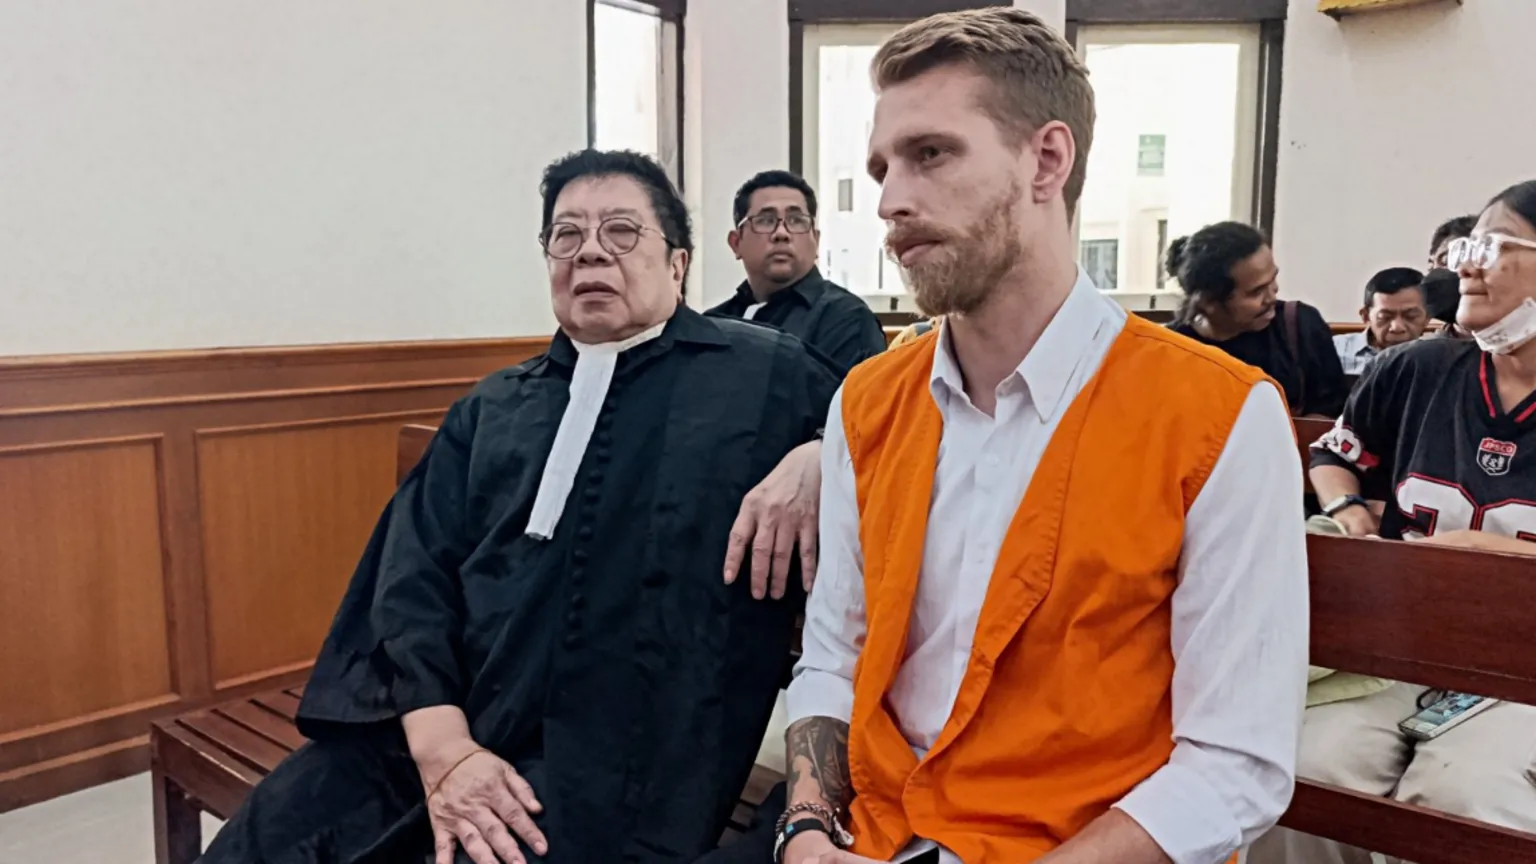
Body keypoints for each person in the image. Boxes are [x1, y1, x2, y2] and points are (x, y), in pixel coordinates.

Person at [199, 149, 840, 864]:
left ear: (680, 264)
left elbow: (891, 426)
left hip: (622, 763)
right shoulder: (494, 406)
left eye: (622, 231)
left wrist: (821, 455)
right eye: (566, 235)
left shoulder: (766, 375)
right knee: (262, 839)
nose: (590, 250)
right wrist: (443, 749)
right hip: (432, 729)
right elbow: (410, 581)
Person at [778, 9, 1309, 864]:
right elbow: (835, 659)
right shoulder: (868, 402)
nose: (889, 202)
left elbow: (1234, 765)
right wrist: (806, 831)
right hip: (876, 835)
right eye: (881, 168)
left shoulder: (1218, 415)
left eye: (932, 153)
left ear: (1046, 160)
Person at [1252, 180, 1536, 864]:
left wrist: (1485, 556)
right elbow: (1333, 453)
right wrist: (1348, 510)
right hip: (1404, 645)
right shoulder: (1422, 367)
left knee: (1463, 798)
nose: (1465, 264)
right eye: (1468, 245)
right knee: (1302, 771)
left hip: (1524, 670)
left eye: (1495, 247)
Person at [708, 170, 887, 372]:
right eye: (765, 220)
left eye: (796, 220)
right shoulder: (712, 324)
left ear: (816, 241)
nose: (782, 234)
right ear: (736, 243)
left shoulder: (846, 319)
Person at [1167, 221, 1348, 417]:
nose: (1272, 295)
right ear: (1208, 302)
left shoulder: (1300, 325)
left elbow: (1333, 412)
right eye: (1257, 291)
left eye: (1273, 280)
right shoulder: (1171, 349)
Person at [1332, 267, 1427, 374]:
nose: (1397, 327)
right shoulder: (1332, 350)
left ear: (1427, 317)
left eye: (1411, 316)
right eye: (1385, 317)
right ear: (1366, 316)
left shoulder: (1439, 358)